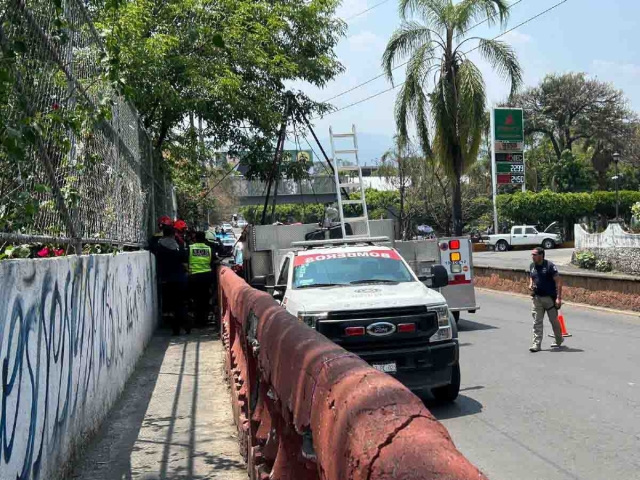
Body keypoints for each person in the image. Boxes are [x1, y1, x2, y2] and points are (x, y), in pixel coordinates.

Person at [152, 221, 190, 335]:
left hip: (166, 280)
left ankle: (176, 328)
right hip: (180, 278)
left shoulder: (158, 246)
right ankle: (185, 324)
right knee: (181, 303)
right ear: (174, 235)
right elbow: (185, 262)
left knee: (171, 305)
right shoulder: (178, 247)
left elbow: (151, 247)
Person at [528, 247, 564, 352]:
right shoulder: (532, 266)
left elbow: (558, 281)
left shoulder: (550, 266)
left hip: (549, 299)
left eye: (535, 255)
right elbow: (531, 276)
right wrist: (530, 284)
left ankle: (558, 339)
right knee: (537, 322)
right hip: (537, 298)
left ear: (541, 255)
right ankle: (536, 344)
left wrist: (558, 298)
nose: (532, 257)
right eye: (532, 254)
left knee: (554, 321)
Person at [188, 231, 217, 328]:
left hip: (194, 277)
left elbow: (184, 260)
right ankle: (204, 321)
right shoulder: (209, 249)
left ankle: (197, 321)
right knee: (205, 298)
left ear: (195, 238)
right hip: (206, 277)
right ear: (204, 238)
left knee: (195, 299)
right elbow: (215, 260)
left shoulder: (190, 248)